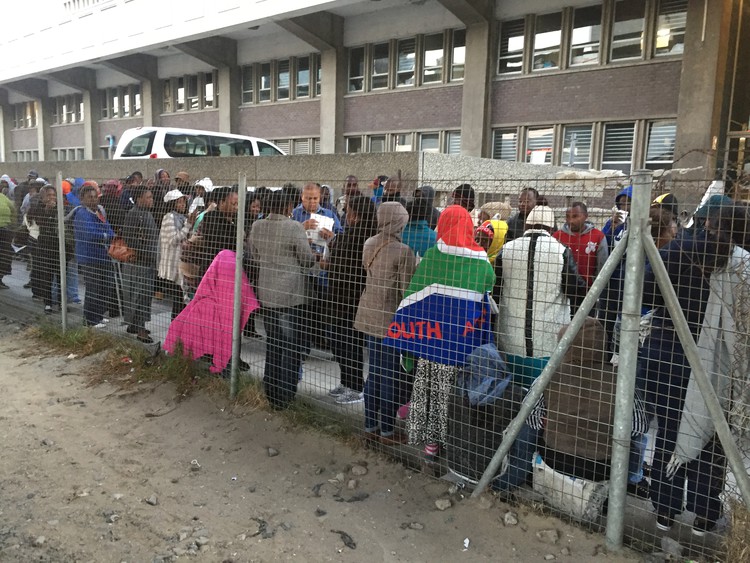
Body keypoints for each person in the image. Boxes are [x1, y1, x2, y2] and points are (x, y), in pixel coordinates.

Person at [638, 200, 738, 533]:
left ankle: (664, 510)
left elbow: (648, 290)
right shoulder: (737, 259)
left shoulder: (679, 245)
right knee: (709, 434)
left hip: (666, 348)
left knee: (668, 430)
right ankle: (703, 514)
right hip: (713, 357)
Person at [385, 205, 495, 468]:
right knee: (452, 393)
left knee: (426, 386)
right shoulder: (481, 260)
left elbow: (413, 295)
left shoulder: (434, 256)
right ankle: (451, 442)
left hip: (430, 340)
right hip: (460, 344)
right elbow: (488, 287)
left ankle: (428, 442)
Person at [527, 318, 649, 490]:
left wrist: (550, 421)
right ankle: (631, 481)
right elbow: (639, 427)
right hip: (602, 468)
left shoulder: (549, 375)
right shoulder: (621, 381)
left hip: (554, 458)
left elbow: (530, 418)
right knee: (637, 441)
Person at [494, 206, 588, 387]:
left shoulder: (506, 250)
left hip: (510, 337)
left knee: (511, 393)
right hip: (548, 340)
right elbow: (576, 291)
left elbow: (496, 291)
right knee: (542, 392)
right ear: (552, 229)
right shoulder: (560, 251)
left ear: (526, 225)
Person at [248, 187, 317, 410]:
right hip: (290, 296)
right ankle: (286, 396)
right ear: (288, 206)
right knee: (291, 347)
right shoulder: (293, 227)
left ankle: (271, 391)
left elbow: (254, 255)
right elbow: (307, 260)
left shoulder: (257, 225)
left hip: (267, 293)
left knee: (274, 344)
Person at [354, 202, 416, 444]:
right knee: (390, 376)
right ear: (399, 221)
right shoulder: (403, 251)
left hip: (368, 315)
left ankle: (370, 425)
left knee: (374, 373)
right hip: (390, 321)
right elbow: (406, 292)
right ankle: (388, 431)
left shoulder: (369, 243)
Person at [164, 250, 259, 376]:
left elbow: (204, 287)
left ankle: (209, 361)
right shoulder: (232, 266)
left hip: (209, 307)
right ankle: (227, 368)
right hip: (228, 307)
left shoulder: (218, 265)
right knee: (228, 336)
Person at [324, 195, 378, 404]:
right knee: (340, 342)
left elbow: (349, 266)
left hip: (352, 300)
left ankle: (356, 387)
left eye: (348, 211)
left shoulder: (364, 238)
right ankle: (346, 382)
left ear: (356, 215)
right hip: (341, 298)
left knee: (350, 344)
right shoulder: (350, 235)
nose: (346, 215)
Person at [73, 185, 115, 328]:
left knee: (104, 287)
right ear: (82, 199)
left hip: (103, 255)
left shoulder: (98, 212)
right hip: (89, 257)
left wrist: (108, 235)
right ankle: (90, 319)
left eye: (95, 196)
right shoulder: (81, 213)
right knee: (93, 288)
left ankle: (98, 315)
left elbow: (109, 229)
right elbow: (90, 234)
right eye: (89, 197)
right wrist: (106, 236)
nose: (93, 199)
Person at [121, 185, 159, 343]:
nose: (151, 200)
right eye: (148, 197)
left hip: (147, 261)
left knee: (140, 295)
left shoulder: (146, 214)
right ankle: (141, 330)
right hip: (139, 263)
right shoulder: (134, 214)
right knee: (140, 296)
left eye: (151, 197)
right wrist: (145, 252)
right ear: (139, 199)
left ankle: (134, 324)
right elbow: (130, 238)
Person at [553, 202, 608, 287]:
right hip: (561, 289)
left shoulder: (598, 236)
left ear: (585, 216)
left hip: (588, 289)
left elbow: (602, 265)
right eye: (567, 217)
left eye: (575, 216)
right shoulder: (557, 236)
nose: (570, 221)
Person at [159, 189, 195, 320]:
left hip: (182, 264)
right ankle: (176, 332)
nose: (182, 204)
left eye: (183, 202)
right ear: (172, 204)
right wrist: (188, 225)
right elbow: (173, 240)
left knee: (181, 302)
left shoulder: (182, 217)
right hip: (173, 266)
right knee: (178, 302)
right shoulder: (169, 217)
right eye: (179, 202)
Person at [0, 186, 17, 289]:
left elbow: (14, 211)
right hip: (6, 231)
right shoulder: (4, 198)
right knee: (4, 255)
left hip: (5, 231)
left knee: (4, 255)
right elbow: (14, 211)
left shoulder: (3, 198)